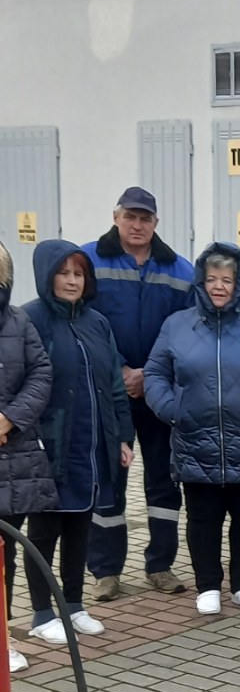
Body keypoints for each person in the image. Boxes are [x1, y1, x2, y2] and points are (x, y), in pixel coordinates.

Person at [144, 244, 240, 616]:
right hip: (197, 442)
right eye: (212, 278)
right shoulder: (177, 326)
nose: (218, 286)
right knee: (203, 520)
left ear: (239, 283)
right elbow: (155, 373)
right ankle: (208, 586)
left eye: (227, 280)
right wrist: (173, 410)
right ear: (201, 281)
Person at [83, 188, 194, 601]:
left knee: (164, 480)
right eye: (130, 216)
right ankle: (106, 571)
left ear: (156, 223)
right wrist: (121, 370)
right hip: (109, 392)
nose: (137, 225)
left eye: (145, 218)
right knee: (109, 479)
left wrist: (151, 373)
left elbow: (188, 329)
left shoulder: (180, 270)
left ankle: (160, 565)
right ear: (116, 217)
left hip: (160, 390)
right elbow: (85, 322)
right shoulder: (89, 261)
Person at [21, 243, 134, 645]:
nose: (72, 281)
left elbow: (115, 384)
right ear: (46, 276)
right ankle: (41, 612)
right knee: (44, 530)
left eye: (79, 274)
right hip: (48, 445)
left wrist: (123, 435)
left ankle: (73, 604)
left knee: (80, 526)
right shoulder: (29, 319)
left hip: (92, 443)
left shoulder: (97, 322)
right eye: (64, 273)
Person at [0, 241, 59, 672]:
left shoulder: (18, 321)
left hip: (13, 457)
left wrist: (9, 419)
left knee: (4, 553)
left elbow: (41, 372)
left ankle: (2, 638)